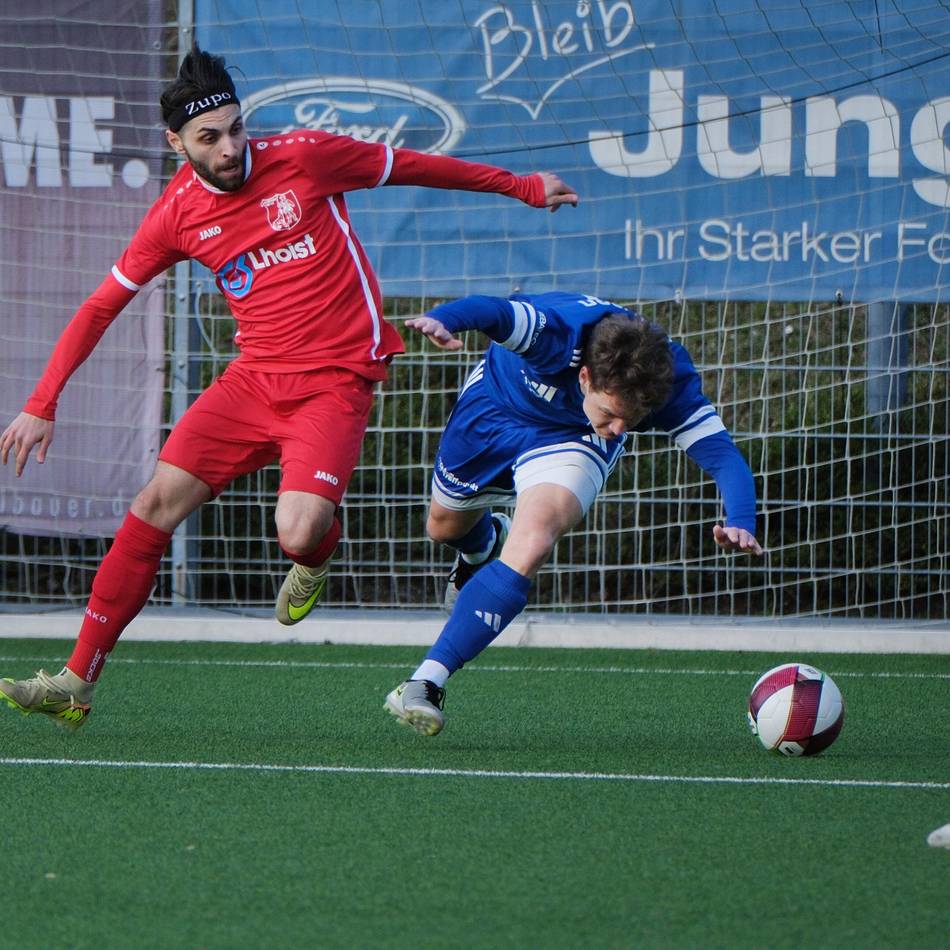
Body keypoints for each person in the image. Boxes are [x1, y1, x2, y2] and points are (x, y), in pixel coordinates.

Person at [0, 46, 578, 732]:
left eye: (235, 128)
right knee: (154, 502)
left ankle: (315, 556)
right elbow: (101, 305)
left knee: (298, 532)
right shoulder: (176, 214)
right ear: (175, 143)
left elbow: (416, 167)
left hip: (334, 381)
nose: (229, 147)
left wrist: (521, 186)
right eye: (209, 138)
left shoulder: (306, 158)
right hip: (251, 381)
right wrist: (42, 401)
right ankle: (77, 682)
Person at [384, 290, 764, 736]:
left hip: (572, 438)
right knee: (443, 526)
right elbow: (494, 311)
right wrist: (442, 319)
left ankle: (425, 681)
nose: (622, 429)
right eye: (612, 412)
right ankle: (482, 548)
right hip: (493, 407)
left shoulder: (668, 380)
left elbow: (721, 455)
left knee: (536, 540)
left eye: (633, 419)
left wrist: (741, 520)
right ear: (584, 377)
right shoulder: (555, 334)